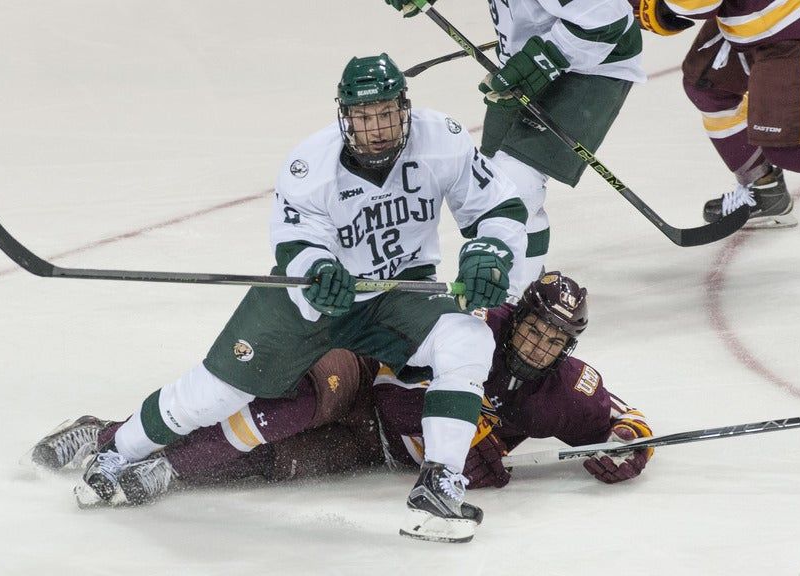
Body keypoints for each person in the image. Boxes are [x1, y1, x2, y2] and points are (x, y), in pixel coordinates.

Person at [67, 53, 531, 543]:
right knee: (214, 394)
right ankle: (118, 450)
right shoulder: (311, 166)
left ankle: (438, 486)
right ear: (345, 117)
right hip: (311, 302)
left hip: (395, 292)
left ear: (405, 109)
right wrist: (319, 269)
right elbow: (297, 244)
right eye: (363, 116)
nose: (376, 128)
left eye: (387, 114)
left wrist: (489, 254)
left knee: (467, 340)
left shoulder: (444, 141)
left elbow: (498, 205)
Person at [33, 272, 653, 516]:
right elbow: (395, 386)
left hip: (375, 449)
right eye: (536, 329)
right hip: (362, 371)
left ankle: (171, 469)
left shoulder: (565, 391)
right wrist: (469, 439)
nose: (541, 345)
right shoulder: (473, 330)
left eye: (556, 339)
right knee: (299, 401)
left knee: (266, 465)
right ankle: (112, 434)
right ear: (517, 318)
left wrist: (627, 447)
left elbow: (628, 422)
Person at [385, 0, 645, 298]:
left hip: (592, 65)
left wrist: (540, 60)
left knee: (513, 187)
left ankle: (506, 302)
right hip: (527, 57)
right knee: (494, 188)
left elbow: (607, 18)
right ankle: (527, 288)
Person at [630, 0, 800, 228]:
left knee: (794, 151)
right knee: (710, 88)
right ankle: (764, 191)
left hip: (793, 20)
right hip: (755, 14)